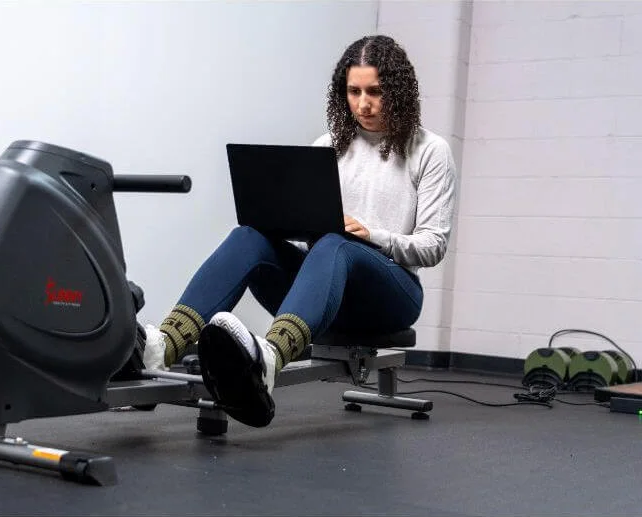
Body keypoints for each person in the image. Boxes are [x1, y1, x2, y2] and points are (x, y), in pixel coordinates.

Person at [141, 34, 457, 428]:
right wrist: (282, 223)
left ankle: (268, 359)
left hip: (391, 295)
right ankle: (163, 345)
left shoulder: (429, 150)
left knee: (337, 243)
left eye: (375, 91)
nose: (363, 103)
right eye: (353, 91)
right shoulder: (328, 145)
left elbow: (433, 246)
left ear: (399, 90)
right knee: (249, 235)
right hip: (326, 291)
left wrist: (371, 235)